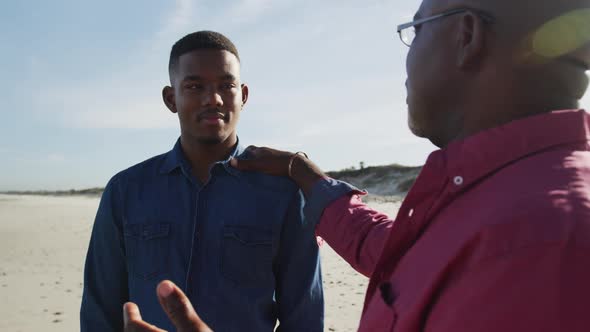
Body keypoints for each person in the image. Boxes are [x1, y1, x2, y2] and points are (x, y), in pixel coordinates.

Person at [124, 0, 590, 331]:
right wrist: (309, 177)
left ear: (466, 35)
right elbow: (393, 251)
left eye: (416, 29)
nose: (407, 57)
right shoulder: (484, 197)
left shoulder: (550, 238)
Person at [80, 31, 324, 332]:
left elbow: (304, 317)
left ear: (243, 95)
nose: (213, 99)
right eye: (195, 86)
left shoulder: (284, 193)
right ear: (172, 98)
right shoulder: (126, 191)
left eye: (226, 85)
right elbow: (100, 310)